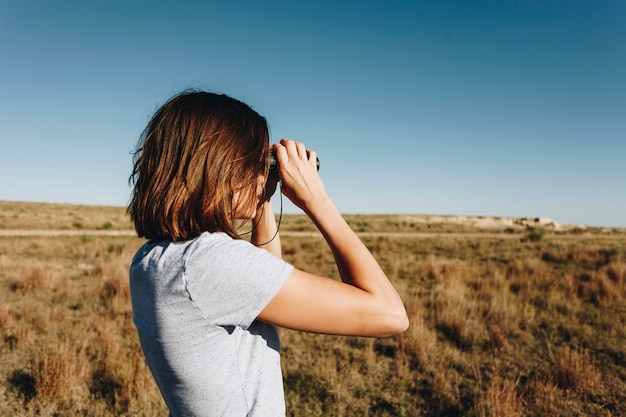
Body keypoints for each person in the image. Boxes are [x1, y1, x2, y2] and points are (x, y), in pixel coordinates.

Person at [128, 90, 409, 416]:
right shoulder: (211, 264)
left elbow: (263, 291)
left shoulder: (154, 259)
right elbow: (390, 315)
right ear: (218, 167)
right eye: (252, 163)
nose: (261, 174)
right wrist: (317, 201)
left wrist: (261, 201)